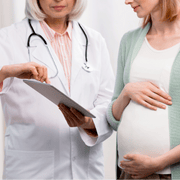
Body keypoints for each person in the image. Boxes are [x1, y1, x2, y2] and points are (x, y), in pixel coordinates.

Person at [0, 0, 115, 179]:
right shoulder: (7, 38)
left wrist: (87, 122)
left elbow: (108, 103)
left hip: (86, 169)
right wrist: (5, 72)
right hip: (31, 170)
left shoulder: (94, 40)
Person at [106, 0, 180, 179]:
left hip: (167, 174)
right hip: (128, 172)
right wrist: (126, 92)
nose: (127, 1)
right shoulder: (129, 41)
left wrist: (159, 163)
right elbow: (112, 119)